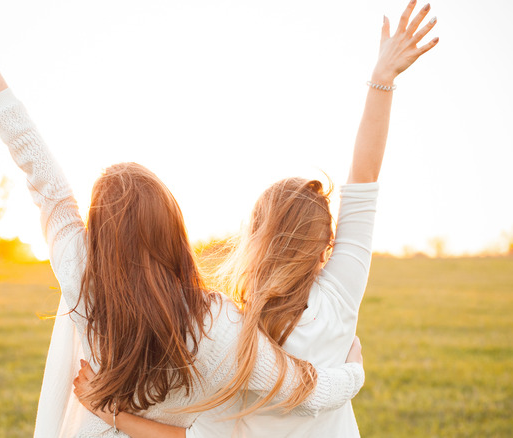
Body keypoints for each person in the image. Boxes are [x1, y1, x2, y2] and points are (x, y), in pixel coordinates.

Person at [0, 4, 368, 438]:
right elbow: (305, 390)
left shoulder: (84, 277)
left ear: (99, 237)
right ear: (175, 230)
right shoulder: (216, 324)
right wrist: (353, 374)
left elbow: (47, 184)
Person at [73, 0, 438, 436]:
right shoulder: (339, 297)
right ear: (327, 244)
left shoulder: (227, 327)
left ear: (254, 235)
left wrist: (113, 414)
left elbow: (189, 437)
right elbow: (364, 179)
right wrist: (382, 79)